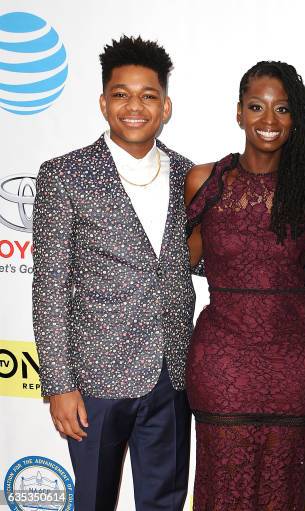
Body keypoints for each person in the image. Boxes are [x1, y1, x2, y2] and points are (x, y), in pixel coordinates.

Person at [32, 36, 194, 510]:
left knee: (165, 499)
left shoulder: (190, 175)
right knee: (95, 499)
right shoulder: (65, 174)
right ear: (104, 102)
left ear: (166, 106)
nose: (135, 106)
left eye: (148, 96)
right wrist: (59, 385)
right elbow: (50, 288)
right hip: (94, 381)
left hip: (171, 374)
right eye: (122, 94)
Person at [184, 61, 305, 510]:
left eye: (282, 109)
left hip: (293, 364)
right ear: (238, 112)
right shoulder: (205, 181)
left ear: (296, 119)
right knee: (222, 490)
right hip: (221, 362)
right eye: (256, 106)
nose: (269, 120)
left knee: (282, 492)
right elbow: (179, 264)